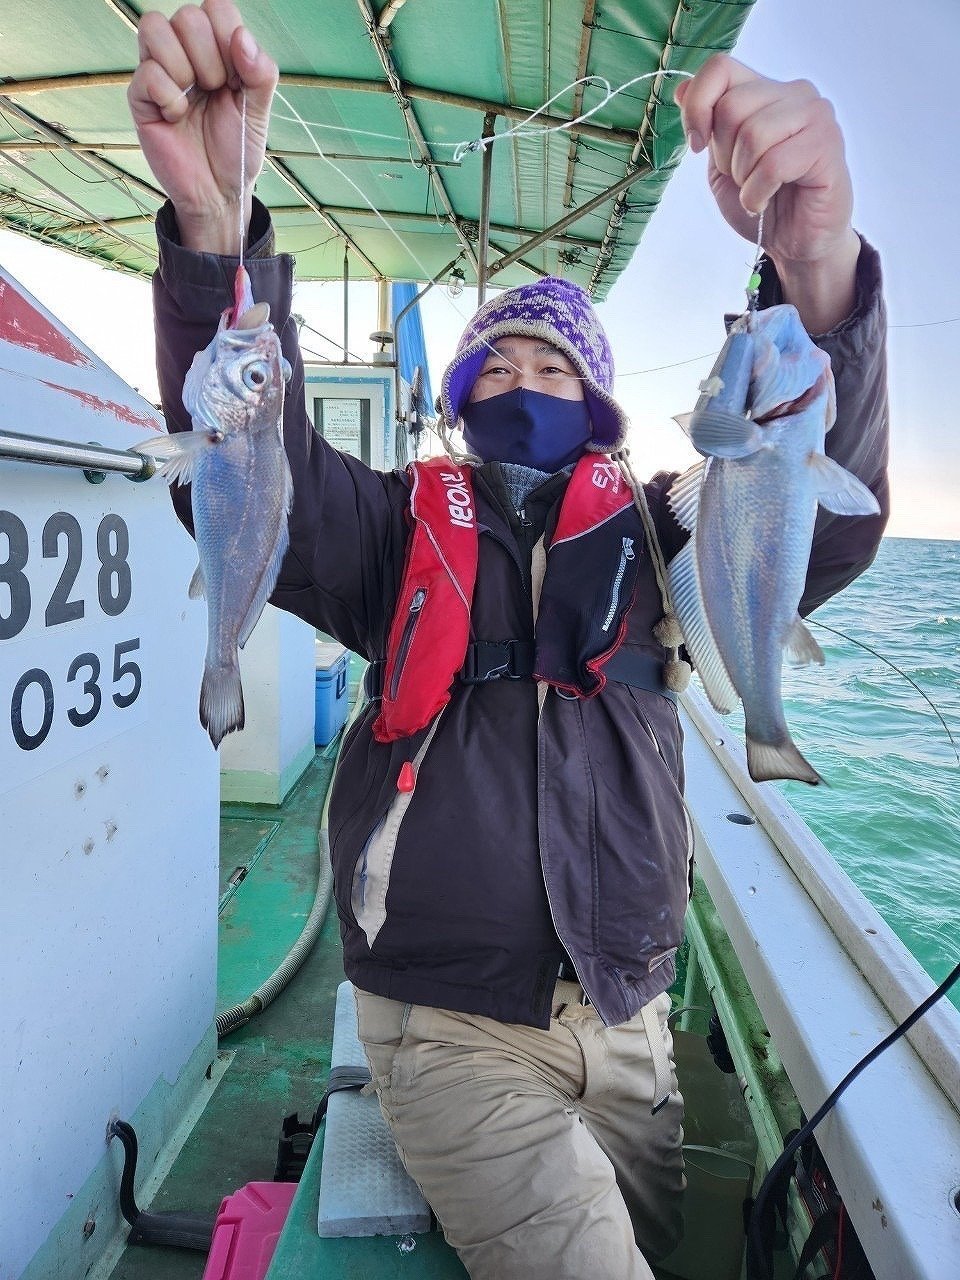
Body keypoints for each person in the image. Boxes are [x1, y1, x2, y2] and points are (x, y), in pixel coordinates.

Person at [129, 3, 889, 1277]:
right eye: (498, 368)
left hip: (632, 1019)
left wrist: (817, 274)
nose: (523, 386)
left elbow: (811, 537)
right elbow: (262, 471)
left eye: (553, 371)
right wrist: (216, 240)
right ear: (460, 401)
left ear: (596, 409)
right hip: (448, 1028)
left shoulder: (658, 527)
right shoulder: (387, 528)